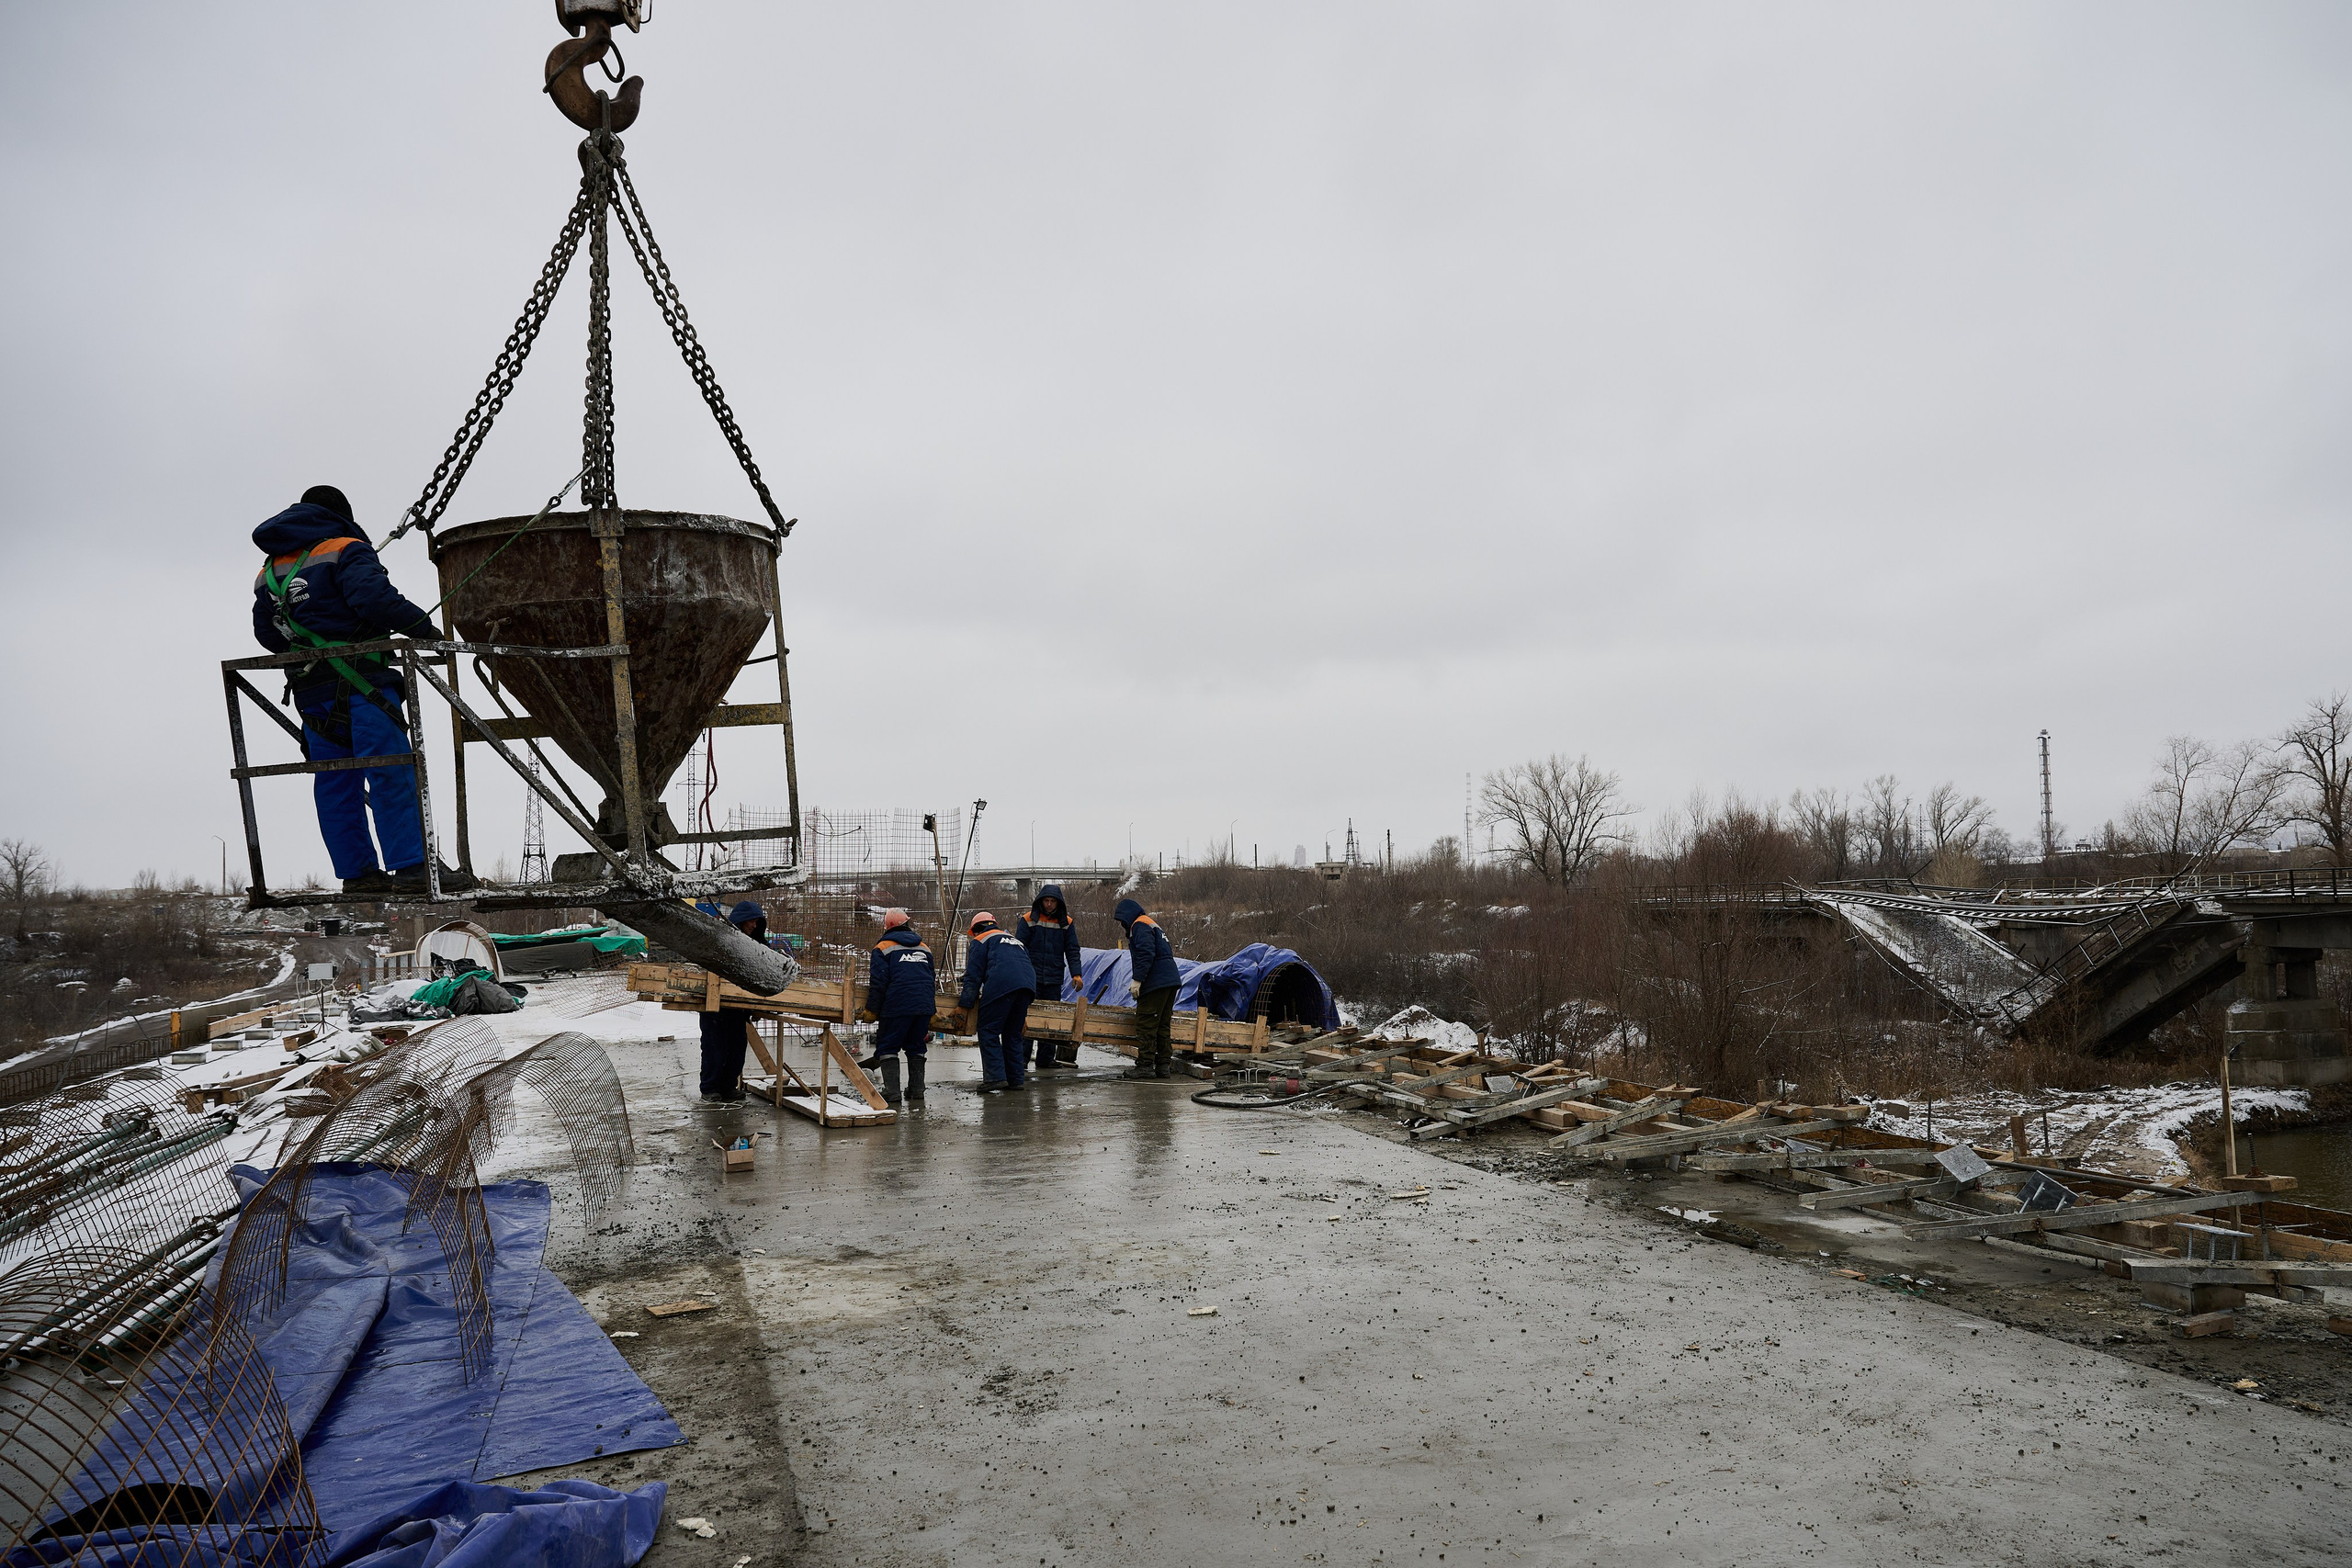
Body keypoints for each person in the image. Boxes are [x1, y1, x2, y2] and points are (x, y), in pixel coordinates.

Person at [251, 485, 462, 897]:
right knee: (389, 769)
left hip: (311, 695)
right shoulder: (346, 548)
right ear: (340, 514)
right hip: (364, 687)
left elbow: (266, 635)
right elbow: (375, 600)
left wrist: (312, 649)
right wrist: (425, 630)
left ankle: (359, 874)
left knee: (334, 783)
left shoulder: (270, 570)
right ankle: (413, 867)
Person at [856, 908, 936, 1105]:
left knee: (889, 1046)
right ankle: (917, 1090)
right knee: (916, 1045)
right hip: (923, 1006)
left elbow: (878, 982)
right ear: (907, 923)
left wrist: (872, 1009)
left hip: (897, 1005)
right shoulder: (924, 948)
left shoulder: (882, 948)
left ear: (888, 927)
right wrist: (930, 1009)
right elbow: (930, 979)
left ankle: (892, 1093)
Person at [956, 911, 1036, 1092]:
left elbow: (973, 975)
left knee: (988, 1030)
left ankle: (995, 1078)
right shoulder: (1015, 941)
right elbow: (1021, 968)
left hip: (1002, 983)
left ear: (975, 930)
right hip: (1028, 986)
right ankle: (1016, 1080)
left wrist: (964, 1005)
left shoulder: (981, 940)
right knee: (1013, 1034)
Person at [696, 900, 768, 1102]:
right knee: (714, 1048)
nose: (754, 925)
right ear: (741, 920)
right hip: (715, 1006)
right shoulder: (722, 938)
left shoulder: (759, 944)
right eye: (751, 921)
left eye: (757, 922)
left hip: (739, 1008)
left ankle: (728, 1087)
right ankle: (710, 1088)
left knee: (737, 1049)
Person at [1015, 884, 1083, 1072]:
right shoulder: (1028, 919)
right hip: (1031, 977)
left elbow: (1072, 949)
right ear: (1040, 901)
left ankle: (1045, 1058)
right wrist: (1020, 972)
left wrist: (1076, 973)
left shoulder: (1066, 922)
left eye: (1053, 901)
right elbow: (1019, 948)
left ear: (1058, 903)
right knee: (1027, 1017)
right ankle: (1021, 1058)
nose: (1049, 905)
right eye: (1046, 901)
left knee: (1052, 1018)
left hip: (1053, 977)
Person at [1114, 897, 1182, 1079]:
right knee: (1162, 1025)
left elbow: (1146, 953)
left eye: (1121, 921)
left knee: (1146, 1024)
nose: (1122, 925)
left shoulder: (1139, 925)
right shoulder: (1151, 924)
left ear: (1127, 916)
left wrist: (1138, 980)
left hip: (1156, 982)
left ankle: (1145, 1066)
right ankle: (1163, 1066)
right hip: (1170, 980)